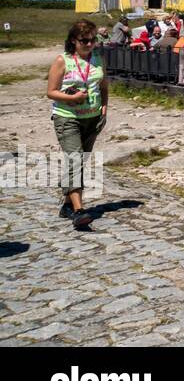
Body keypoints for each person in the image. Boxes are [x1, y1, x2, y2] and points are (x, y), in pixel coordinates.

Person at [46, 21, 108, 229]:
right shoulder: (62, 61)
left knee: (80, 161)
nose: (89, 44)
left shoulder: (98, 59)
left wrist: (105, 107)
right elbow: (51, 92)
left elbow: (104, 85)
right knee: (74, 160)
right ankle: (79, 211)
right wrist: (71, 97)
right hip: (67, 117)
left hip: (92, 118)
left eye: (93, 40)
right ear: (74, 40)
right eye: (84, 40)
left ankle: (66, 205)